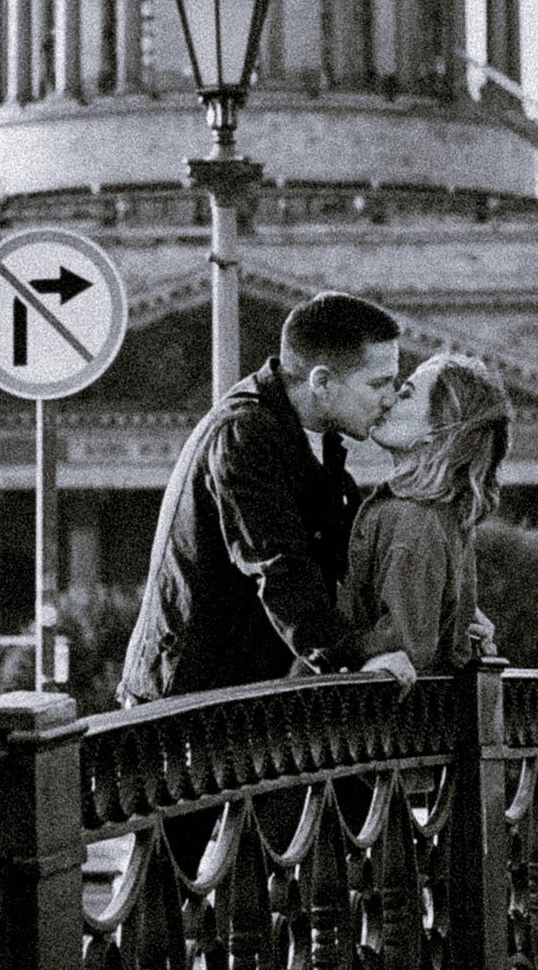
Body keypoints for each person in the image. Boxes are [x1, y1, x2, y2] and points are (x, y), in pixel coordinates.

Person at [116, 294, 403, 704]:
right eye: (378, 383)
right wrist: (351, 661)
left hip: (229, 699)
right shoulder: (245, 433)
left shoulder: (314, 437)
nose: (390, 398)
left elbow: (350, 561)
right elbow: (278, 565)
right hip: (182, 706)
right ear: (321, 382)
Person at [344, 350, 510, 680]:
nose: (388, 400)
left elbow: (402, 650)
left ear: (435, 432)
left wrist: (327, 647)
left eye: (405, 395)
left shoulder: (412, 520)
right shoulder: (439, 516)